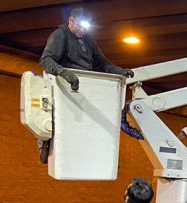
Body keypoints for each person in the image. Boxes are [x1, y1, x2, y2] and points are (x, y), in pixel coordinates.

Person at [37, 7, 136, 164]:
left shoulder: (88, 40)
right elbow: (46, 60)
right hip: (66, 85)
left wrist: (119, 71)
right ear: (71, 21)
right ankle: (47, 143)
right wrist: (62, 72)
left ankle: (97, 156)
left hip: (87, 85)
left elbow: (100, 62)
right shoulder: (60, 35)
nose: (83, 30)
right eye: (80, 26)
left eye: (86, 27)